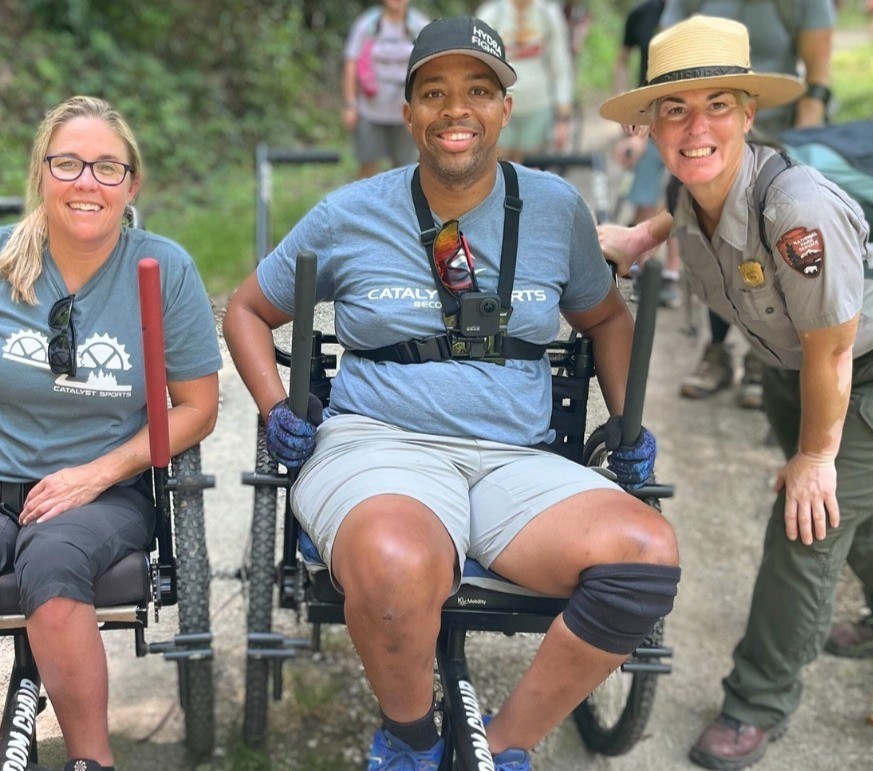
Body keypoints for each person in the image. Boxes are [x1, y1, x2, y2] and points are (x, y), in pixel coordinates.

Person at [224, 16, 681, 770]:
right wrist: (277, 407)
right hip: (378, 444)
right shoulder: (349, 213)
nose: (456, 109)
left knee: (646, 555)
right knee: (397, 562)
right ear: (407, 114)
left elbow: (605, 317)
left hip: (515, 459)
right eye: (433, 92)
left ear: (505, 108)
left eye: (478, 90)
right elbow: (246, 309)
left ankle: (499, 746)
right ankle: (409, 739)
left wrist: (630, 421)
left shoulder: (555, 209)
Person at [598, 16, 873, 769]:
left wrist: (816, 457)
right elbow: (685, 210)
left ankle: (756, 703)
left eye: (717, 106)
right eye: (674, 109)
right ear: (652, 124)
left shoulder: (797, 211)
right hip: (796, 366)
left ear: (748, 113)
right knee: (854, 500)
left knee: (808, 520)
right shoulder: (692, 183)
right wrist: (641, 237)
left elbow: (834, 349)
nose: (695, 128)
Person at [0, 95, 222, 771]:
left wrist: (96, 474)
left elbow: (196, 407)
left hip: (99, 495)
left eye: (107, 167)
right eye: (68, 163)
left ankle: (90, 761)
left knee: (53, 563)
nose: (86, 182)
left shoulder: (164, 271)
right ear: (41, 173)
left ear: (132, 184)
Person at [661, 0, 836, 407]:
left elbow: (817, 80)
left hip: (780, 136)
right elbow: (668, 54)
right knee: (712, 237)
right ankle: (718, 348)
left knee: (770, 240)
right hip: (706, 134)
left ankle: (767, 356)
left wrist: (798, 155)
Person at [611, 0, 682, 308]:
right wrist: (625, 105)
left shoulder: (698, 9)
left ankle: (671, 272)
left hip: (685, 113)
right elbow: (622, 60)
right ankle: (642, 265)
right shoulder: (641, 14)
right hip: (649, 113)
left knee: (680, 193)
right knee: (645, 195)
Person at [475, 0, 575, 160]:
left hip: (537, 107)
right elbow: (478, 69)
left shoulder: (548, 14)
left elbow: (561, 68)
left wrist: (563, 119)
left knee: (529, 167)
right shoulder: (491, 15)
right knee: (499, 164)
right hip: (499, 107)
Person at [343, 0, 431, 179]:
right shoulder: (367, 24)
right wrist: (350, 104)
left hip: (407, 114)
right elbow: (351, 64)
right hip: (370, 112)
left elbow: (431, 66)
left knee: (405, 170)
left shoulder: (419, 25)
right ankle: (367, 198)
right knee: (367, 168)